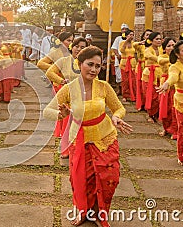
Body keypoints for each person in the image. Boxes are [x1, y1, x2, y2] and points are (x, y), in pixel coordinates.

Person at [43, 46, 132, 227]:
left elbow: (119, 108)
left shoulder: (104, 87)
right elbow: (47, 111)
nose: (93, 69)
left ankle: (100, 213)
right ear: (79, 64)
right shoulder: (69, 89)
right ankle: (83, 212)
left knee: (110, 178)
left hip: (105, 138)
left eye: (98, 66)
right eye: (89, 64)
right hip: (80, 139)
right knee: (82, 180)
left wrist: (116, 117)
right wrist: (62, 114)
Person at [45, 37, 87, 159]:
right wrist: (61, 81)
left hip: (82, 95)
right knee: (67, 124)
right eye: (76, 46)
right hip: (68, 96)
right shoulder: (64, 61)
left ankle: (80, 149)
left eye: (82, 47)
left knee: (80, 124)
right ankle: (66, 150)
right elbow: (49, 72)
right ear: (71, 47)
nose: (78, 49)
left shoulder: (87, 63)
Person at [158, 37, 178, 138]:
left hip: (176, 87)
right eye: (169, 46)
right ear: (164, 49)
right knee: (165, 108)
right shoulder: (161, 57)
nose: (171, 47)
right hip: (165, 86)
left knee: (175, 108)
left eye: (174, 45)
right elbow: (164, 61)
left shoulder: (180, 58)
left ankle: (175, 130)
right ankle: (166, 128)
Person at [142, 32, 163, 123]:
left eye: (160, 39)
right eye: (157, 39)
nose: (159, 41)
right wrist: (164, 59)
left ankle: (158, 113)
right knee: (151, 95)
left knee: (159, 95)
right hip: (149, 75)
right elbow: (150, 57)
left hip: (160, 75)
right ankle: (150, 114)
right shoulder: (147, 50)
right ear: (151, 40)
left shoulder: (162, 49)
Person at [134, 29, 152, 111]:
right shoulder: (140, 45)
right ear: (143, 36)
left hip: (150, 68)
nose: (148, 37)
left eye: (150, 35)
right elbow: (134, 45)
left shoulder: (154, 47)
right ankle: (141, 104)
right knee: (140, 86)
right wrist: (141, 42)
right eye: (147, 35)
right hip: (141, 67)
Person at [111, 23, 129, 95]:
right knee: (118, 74)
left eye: (125, 29)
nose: (124, 31)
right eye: (123, 29)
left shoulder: (130, 38)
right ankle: (119, 89)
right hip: (119, 58)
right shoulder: (118, 38)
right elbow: (114, 48)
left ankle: (126, 90)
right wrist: (117, 55)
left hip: (127, 59)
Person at [119, 29, 137, 102]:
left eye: (132, 35)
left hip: (132, 63)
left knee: (133, 80)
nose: (131, 36)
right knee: (125, 80)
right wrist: (126, 41)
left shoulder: (133, 43)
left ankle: (133, 95)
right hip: (124, 63)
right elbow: (121, 50)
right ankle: (125, 95)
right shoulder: (122, 42)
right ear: (126, 36)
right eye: (130, 35)